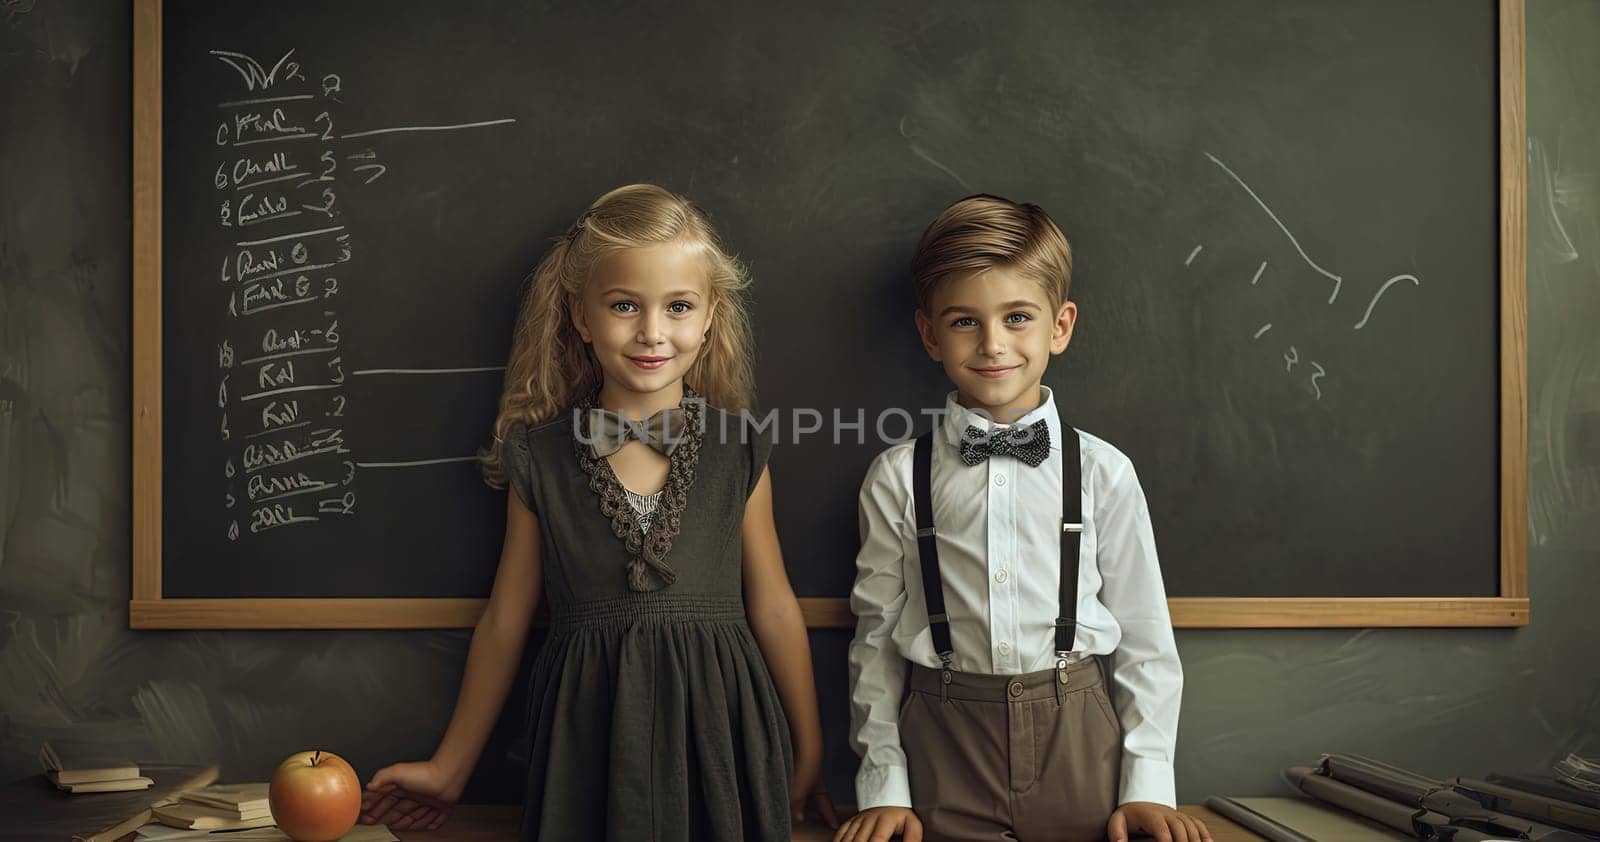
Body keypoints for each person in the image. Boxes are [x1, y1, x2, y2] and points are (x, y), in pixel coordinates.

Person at [359, 184, 837, 840]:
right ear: (582, 318)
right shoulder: (539, 456)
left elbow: (776, 606)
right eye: (622, 306)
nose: (651, 332)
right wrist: (449, 768)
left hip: (723, 732)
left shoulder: (740, 449)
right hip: (588, 738)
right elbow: (505, 618)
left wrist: (808, 751)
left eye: (678, 307)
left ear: (709, 316)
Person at [836, 195, 1210, 842]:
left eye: (1017, 318)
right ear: (929, 334)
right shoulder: (897, 476)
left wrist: (1147, 785)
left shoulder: (1103, 472)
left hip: (1082, 742)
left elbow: (1147, 643)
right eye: (964, 322)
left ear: (1059, 327)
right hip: (942, 744)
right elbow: (874, 644)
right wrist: (884, 786)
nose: (993, 344)